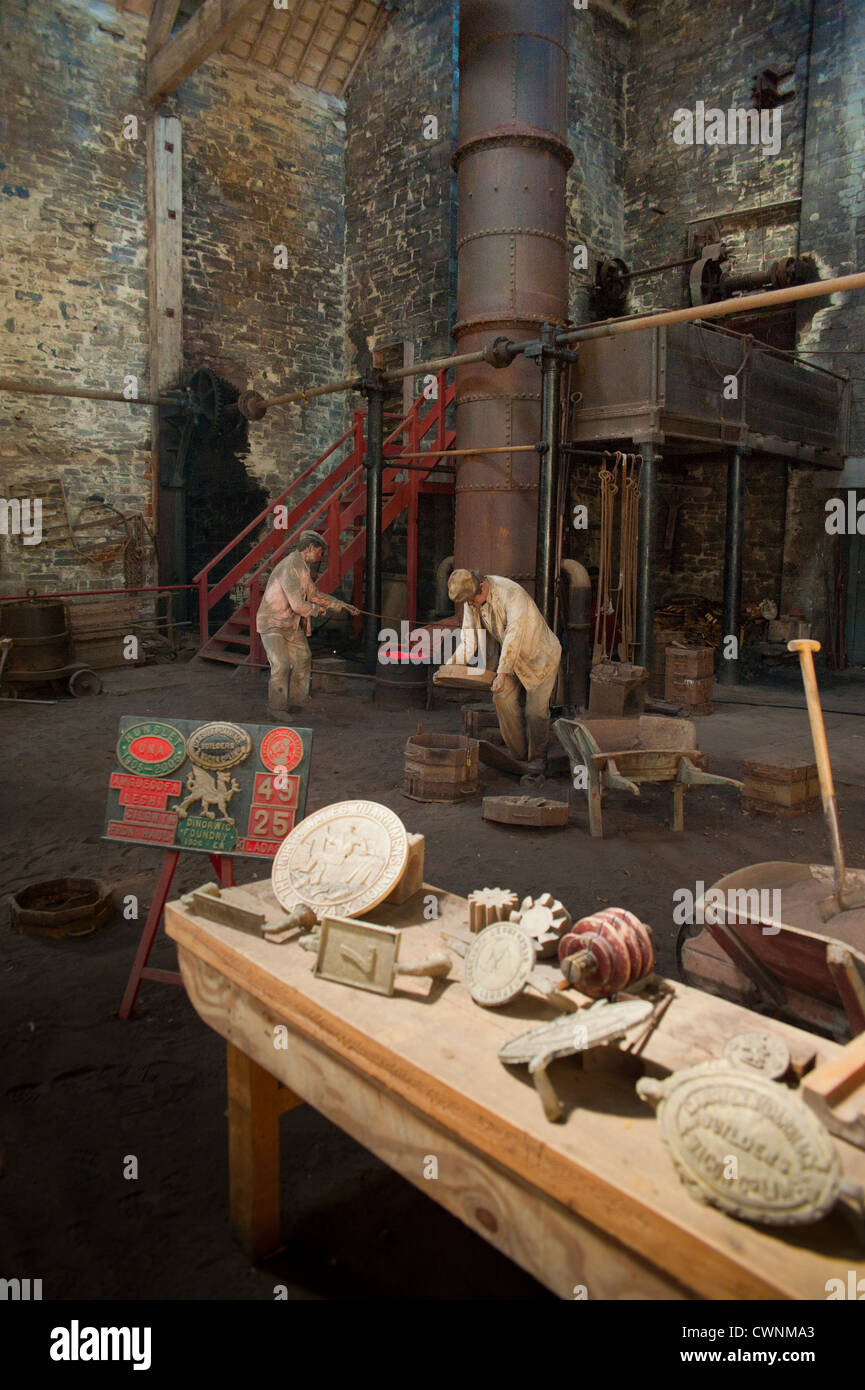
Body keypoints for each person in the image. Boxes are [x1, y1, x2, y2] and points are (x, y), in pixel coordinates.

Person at [439, 568, 561, 769]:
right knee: (501, 697)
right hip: (511, 656)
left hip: (539, 656)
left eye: (472, 600)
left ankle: (538, 759)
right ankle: (519, 756)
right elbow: (469, 642)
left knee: (535, 713)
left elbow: (514, 635)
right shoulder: (472, 600)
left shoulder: (511, 594)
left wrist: (501, 673)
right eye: (467, 602)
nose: (470, 604)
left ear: (482, 586)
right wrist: (447, 669)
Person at [256, 530, 358, 716]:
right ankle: (276, 709)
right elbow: (298, 605)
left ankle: (297, 701)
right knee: (282, 665)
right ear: (310, 548)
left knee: (303, 658)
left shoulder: (302, 566)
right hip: (273, 624)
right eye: (320, 552)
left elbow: (314, 594)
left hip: (291, 625)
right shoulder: (289, 567)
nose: (321, 557)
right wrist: (318, 610)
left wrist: (341, 605)